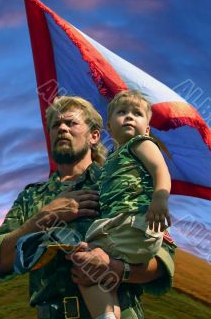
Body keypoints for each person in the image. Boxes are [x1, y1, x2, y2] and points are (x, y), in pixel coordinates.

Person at [0, 96, 176, 319]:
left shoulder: (120, 179)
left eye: (71, 123)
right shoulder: (31, 197)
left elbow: (163, 259)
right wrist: (44, 217)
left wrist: (116, 269)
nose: (62, 129)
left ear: (95, 136)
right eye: (55, 125)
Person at [78, 91, 171, 319]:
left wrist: (159, 198)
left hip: (133, 223)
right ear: (109, 127)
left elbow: (160, 170)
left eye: (137, 113)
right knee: (95, 274)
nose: (129, 117)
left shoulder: (141, 144)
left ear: (147, 129)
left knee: (84, 262)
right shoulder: (111, 160)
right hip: (119, 226)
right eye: (122, 112)